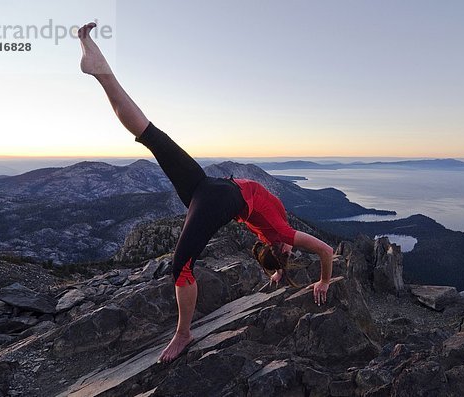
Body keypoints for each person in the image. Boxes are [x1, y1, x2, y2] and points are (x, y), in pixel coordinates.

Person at [77, 22, 333, 363]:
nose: (290, 247)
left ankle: (101, 71)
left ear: (275, 249)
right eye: (287, 251)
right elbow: (325, 250)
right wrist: (324, 282)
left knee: (152, 136)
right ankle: (184, 334)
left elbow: (281, 248)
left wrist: (278, 271)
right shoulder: (281, 233)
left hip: (209, 186)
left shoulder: (277, 233)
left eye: (284, 252)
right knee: (181, 266)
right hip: (215, 196)